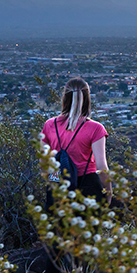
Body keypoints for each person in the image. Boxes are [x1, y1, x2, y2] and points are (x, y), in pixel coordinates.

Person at [42, 77, 112, 208]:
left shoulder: (50, 125)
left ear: (65, 98)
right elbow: (101, 167)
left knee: (59, 228)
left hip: (58, 187)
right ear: (87, 98)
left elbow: (44, 163)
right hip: (88, 187)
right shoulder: (96, 128)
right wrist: (108, 193)